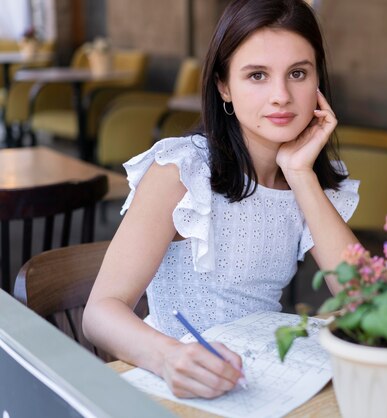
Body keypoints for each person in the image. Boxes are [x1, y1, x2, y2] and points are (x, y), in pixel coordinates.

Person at [83, 0, 360, 400]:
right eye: (257, 75)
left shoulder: (306, 178)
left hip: (264, 381)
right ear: (224, 85)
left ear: (318, 82)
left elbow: (367, 300)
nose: (281, 95)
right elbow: (100, 311)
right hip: (176, 384)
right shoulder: (182, 171)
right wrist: (168, 358)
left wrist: (301, 175)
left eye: (298, 73)